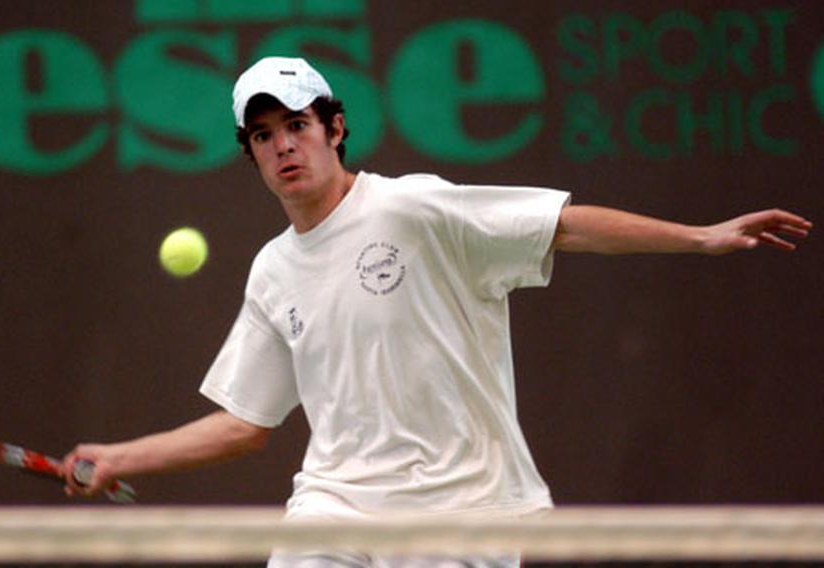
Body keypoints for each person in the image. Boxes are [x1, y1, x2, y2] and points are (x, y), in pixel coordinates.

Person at [62, 57, 812, 567]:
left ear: (335, 127)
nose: (283, 146)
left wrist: (700, 237)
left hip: (467, 514)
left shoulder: (415, 207)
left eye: (296, 125)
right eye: (263, 136)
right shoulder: (273, 271)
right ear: (250, 155)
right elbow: (245, 424)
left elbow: (562, 224)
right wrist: (121, 459)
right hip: (337, 511)